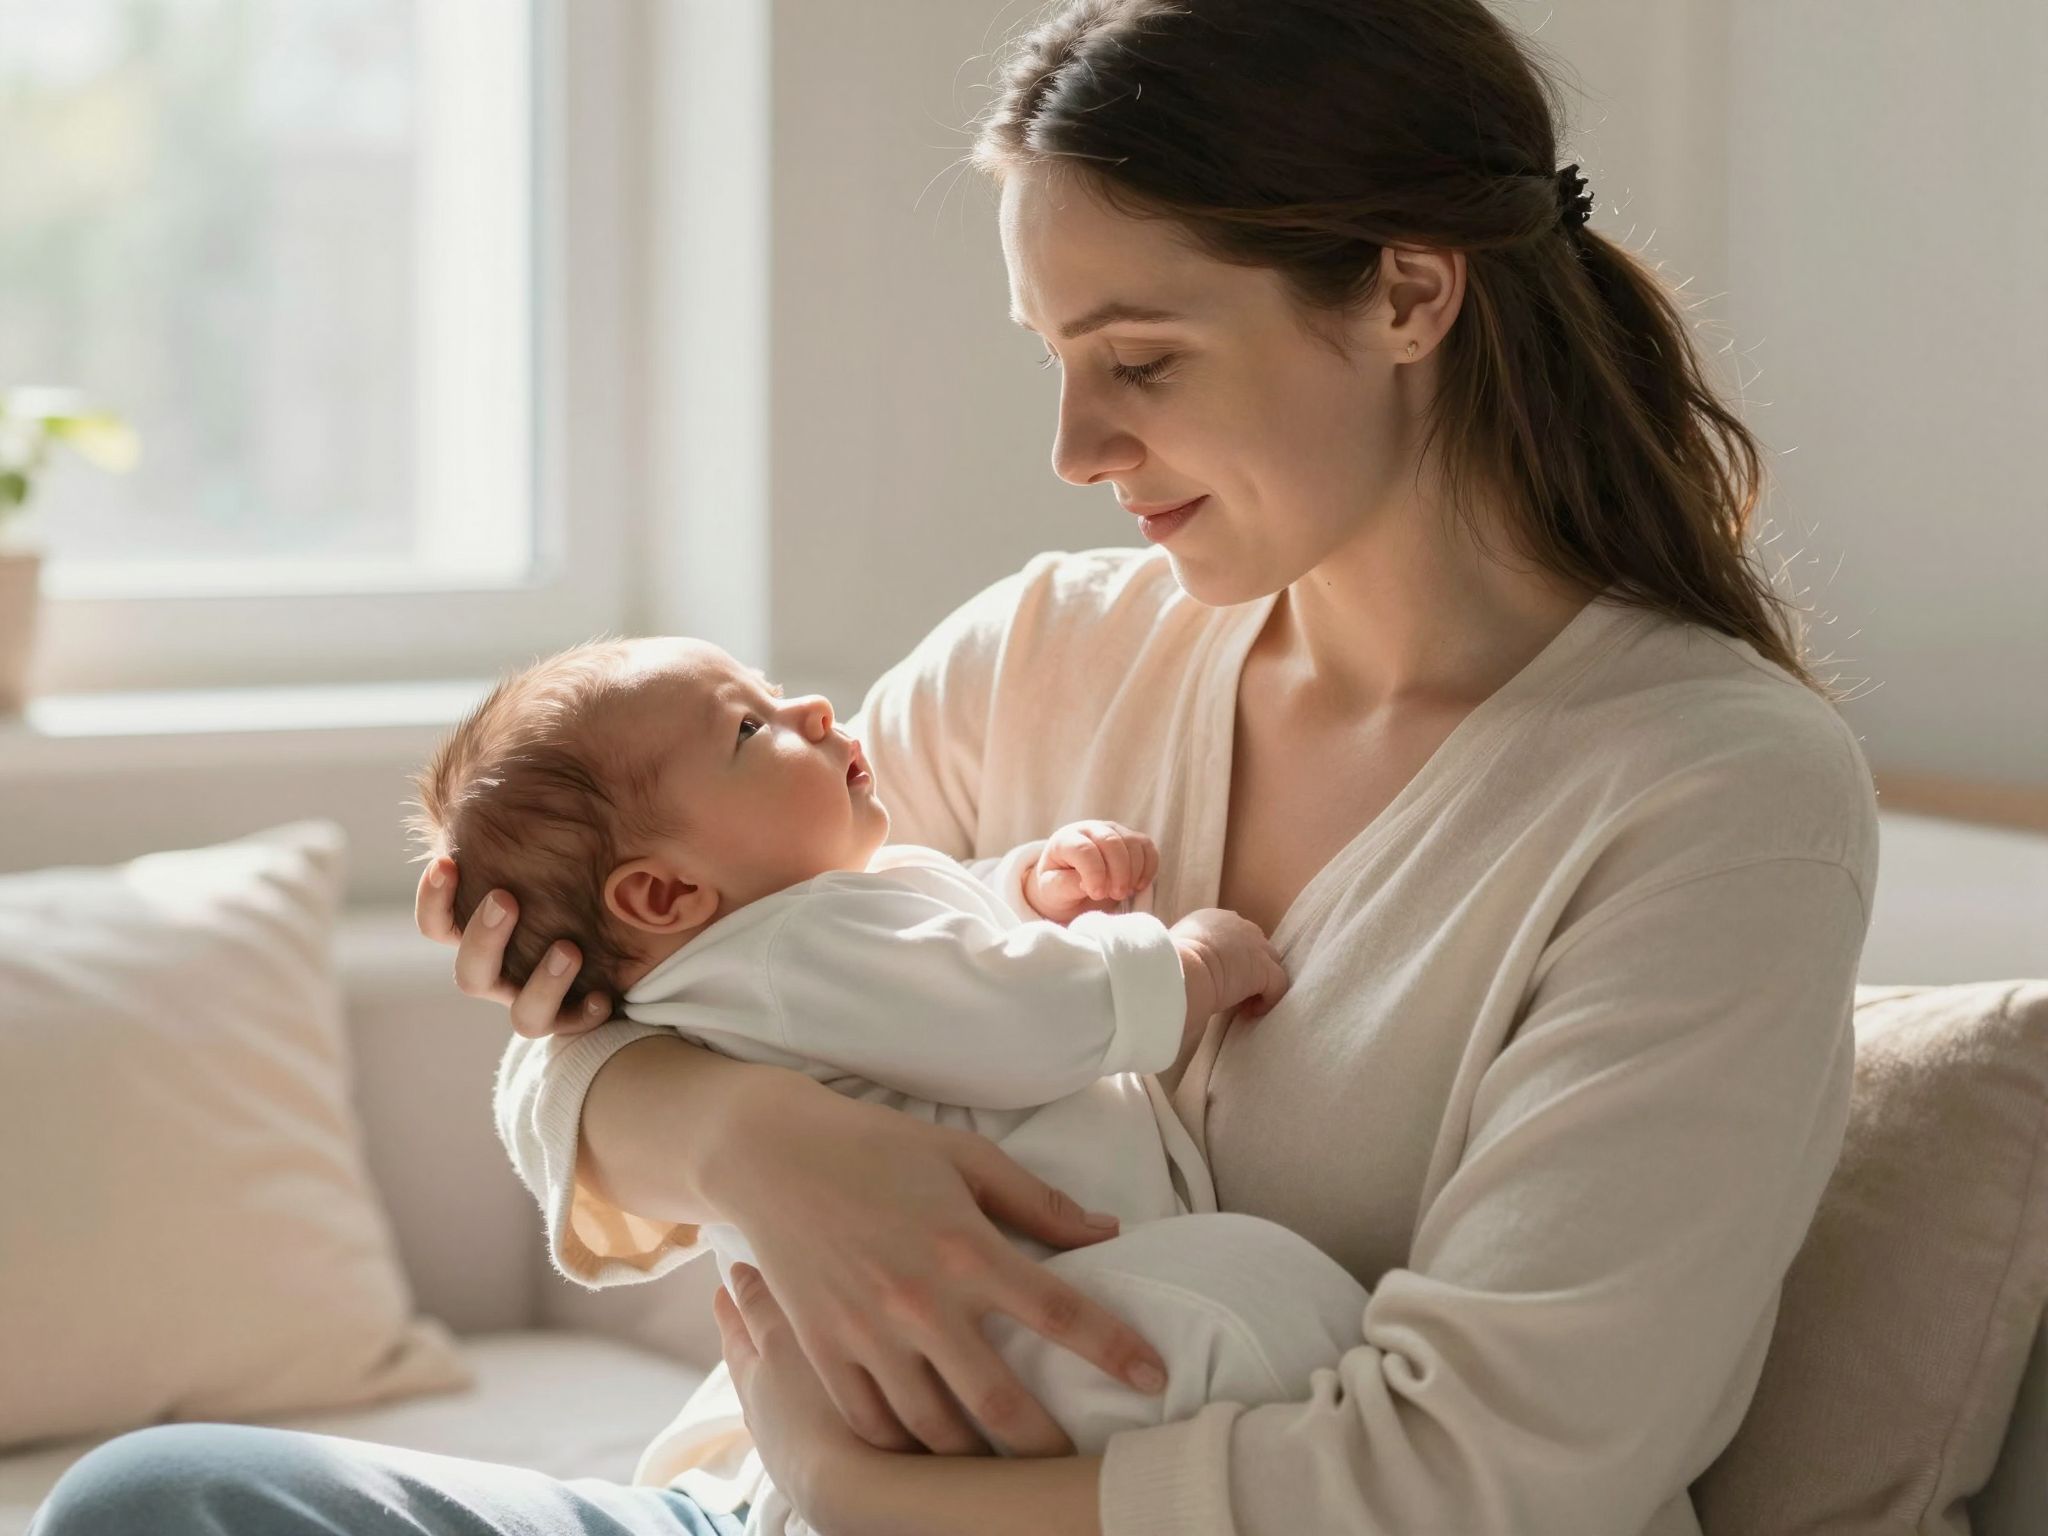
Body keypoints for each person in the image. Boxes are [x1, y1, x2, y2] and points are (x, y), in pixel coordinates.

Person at [29, 1, 1877, 1534]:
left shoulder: (1709, 793)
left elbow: (1490, 1471)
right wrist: (759, 1136)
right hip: (761, 1506)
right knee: (157, 1501)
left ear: (1406, 293)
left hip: (911, 1506)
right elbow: (588, 1066)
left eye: (1139, 357)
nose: (1076, 444)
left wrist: (861, 1490)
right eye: (1056, 360)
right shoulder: (1053, 649)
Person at [405, 633, 1363, 1533]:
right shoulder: (791, 947)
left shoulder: (781, 940)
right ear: (664, 894)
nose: (813, 709)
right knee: (1265, 1306)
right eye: (750, 728)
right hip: (1003, 1327)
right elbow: (1012, 1014)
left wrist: (1035, 889)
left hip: (942, 1366)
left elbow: (939, 938)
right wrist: (1185, 967)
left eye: (771, 693)